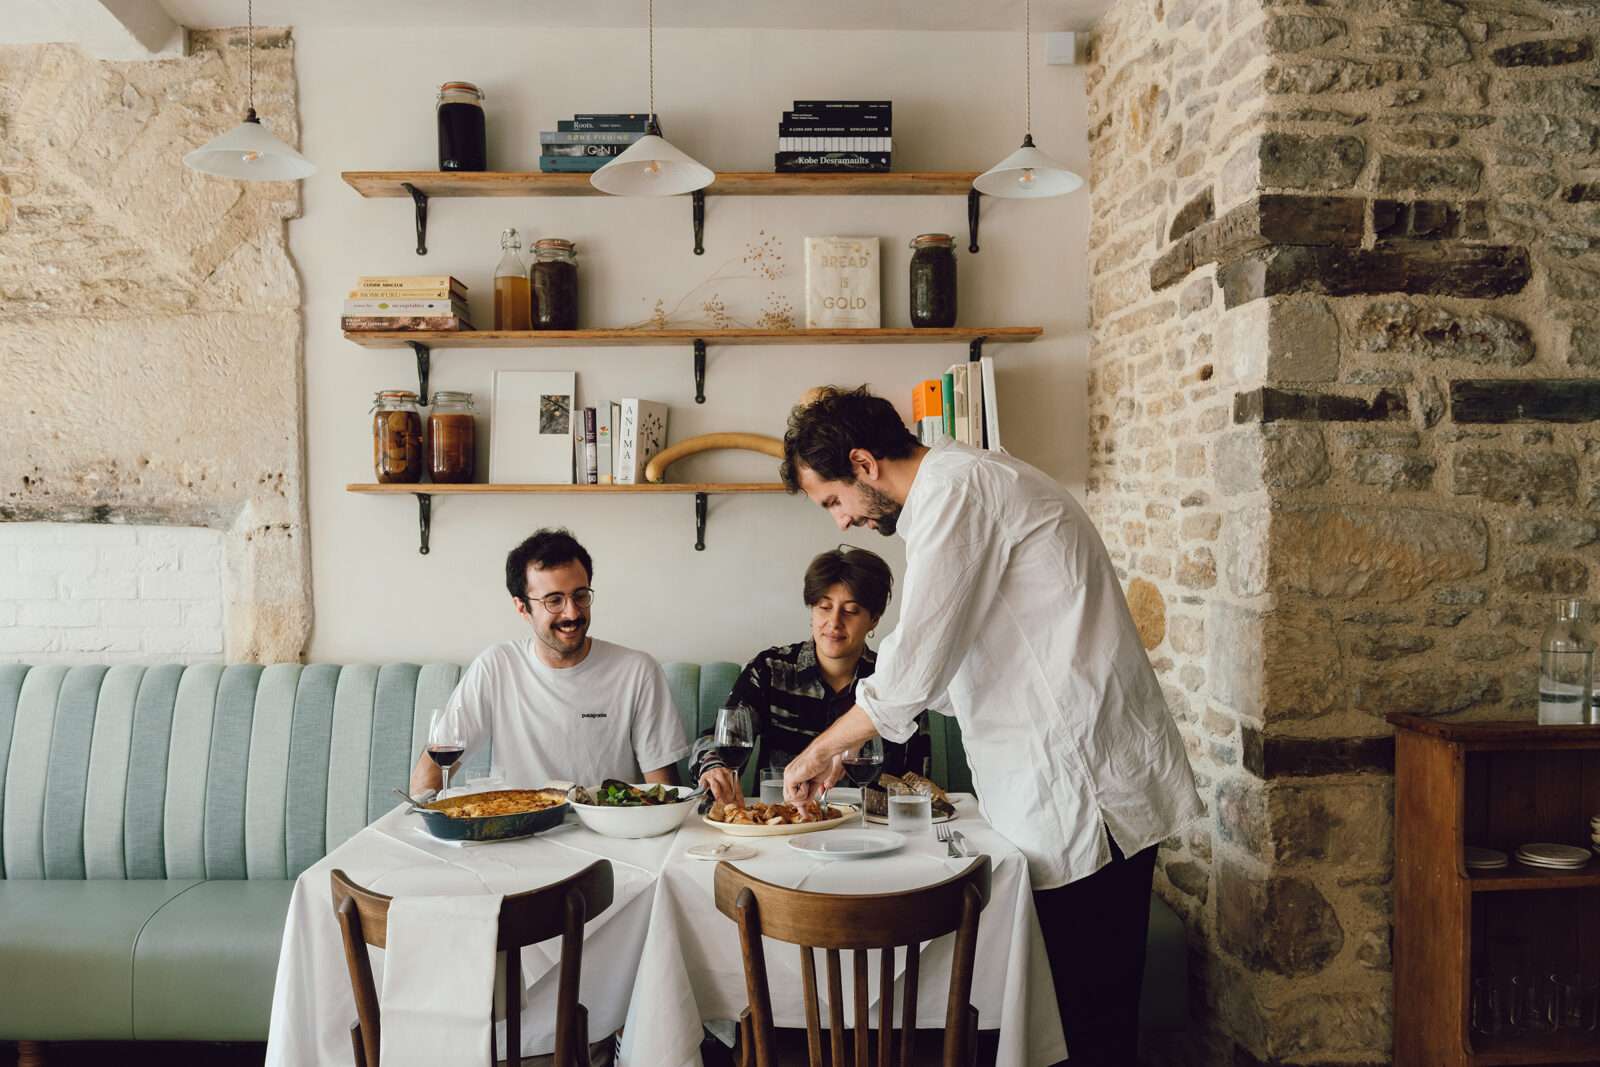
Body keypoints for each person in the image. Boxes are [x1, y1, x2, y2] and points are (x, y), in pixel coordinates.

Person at [777, 387, 1201, 1067]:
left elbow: (912, 670)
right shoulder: (959, 488)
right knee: (1069, 1023)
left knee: (1090, 1031)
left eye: (833, 501)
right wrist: (851, 743)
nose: (842, 522)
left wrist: (821, 747)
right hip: (1062, 788)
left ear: (862, 462)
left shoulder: (958, 493)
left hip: (1085, 793)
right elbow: (948, 673)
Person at [409, 528, 687, 795]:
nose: (572, 612)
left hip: (608, 834)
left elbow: (663, 794)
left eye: (580, 596)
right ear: (522, 608)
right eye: (554, 600)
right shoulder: (496, 666)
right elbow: (428, 776)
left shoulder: (637, 671)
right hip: (516, 831)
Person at [688, 546, 929, 806]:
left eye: (851, 611)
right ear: (812, 611)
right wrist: (713, 768)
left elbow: (915, 778)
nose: (834, 622)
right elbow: (717, 738)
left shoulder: (895, 680)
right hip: (783, 821)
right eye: (824, 607)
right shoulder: (770, 669)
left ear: (874, 620)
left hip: (869, 827)